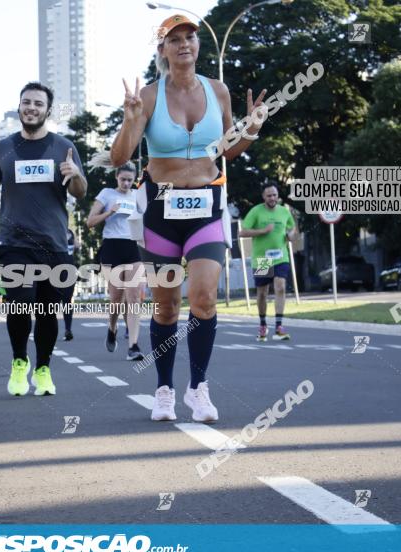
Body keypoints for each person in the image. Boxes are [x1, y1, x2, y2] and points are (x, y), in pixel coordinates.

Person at [109, 14, 267, 422]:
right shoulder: (146, 96)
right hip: (160, 209)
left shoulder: (218, 91)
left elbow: (229, 150)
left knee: (204, 297)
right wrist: (129, 122)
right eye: (174, 39)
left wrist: (251, 129)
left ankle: (198, 389)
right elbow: (120, 158)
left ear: (198, 45)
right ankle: (164, 391)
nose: (184, 44)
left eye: (190, 37)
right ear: (162, 50)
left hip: (208, 206)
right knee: (165, 308)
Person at [0, 81, 87, 397]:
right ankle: (20, 361)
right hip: (14, 242)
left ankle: (44, 368)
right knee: (20, 305)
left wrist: (75, 174)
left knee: (49, 312)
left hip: (53, 243)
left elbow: (80, 191)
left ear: (47, 110)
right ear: (20, 106)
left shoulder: (62, 146)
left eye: (38, 103)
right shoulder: (4, 147)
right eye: (27, 102)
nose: (31, 108)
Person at [87, 162, 144, 360]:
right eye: (123, 179)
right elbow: (90, 222)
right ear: (116, 178)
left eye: (130, 180)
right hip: (112, 247)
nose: (127, 183)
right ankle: (112, 328)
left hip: (133, 247)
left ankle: (134, 346)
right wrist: (109, 212)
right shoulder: (107, 194)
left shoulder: (138, 195)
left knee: (134, 296)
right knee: (116, 299)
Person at [238, 183, 297, 341]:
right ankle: (263, 324)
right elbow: (242, 232)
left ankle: (279, 326)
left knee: (281, 287)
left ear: (278, 196)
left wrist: (291, 235)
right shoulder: (256, 211)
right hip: (262, 259)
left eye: (274, 195)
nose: (272, 198)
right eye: (269, 195)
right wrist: (262, 231)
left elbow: (292, 228)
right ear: (264, 197)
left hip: (280, 257)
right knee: (262, 293)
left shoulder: (284, 212)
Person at [62, 228, 78, 341]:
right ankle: (68, 329)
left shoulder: (70, 232)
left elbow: (77, 245)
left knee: (67, 301)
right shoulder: (52, 228)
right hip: (55, 269)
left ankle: (68, 329)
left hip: (68, 270)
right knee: (65, 301)